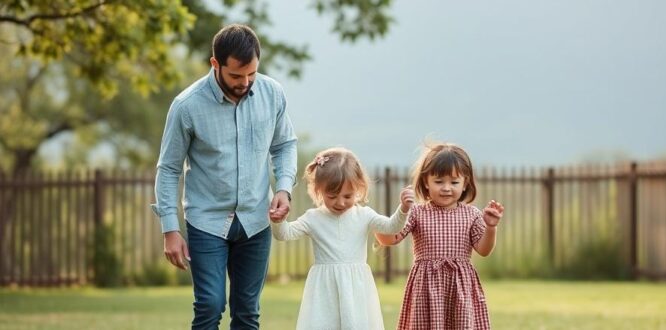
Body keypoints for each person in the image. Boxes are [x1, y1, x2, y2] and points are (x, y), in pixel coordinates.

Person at [151, 23, 297, 329]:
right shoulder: (186, 106)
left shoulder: (273, 94)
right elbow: (168, 169)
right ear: (215, 64)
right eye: (235, 75)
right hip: (206, 221)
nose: (245, 82)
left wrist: (283, 188)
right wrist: (170, 229)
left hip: (256, 220)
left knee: (247, 312)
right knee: (210, 305)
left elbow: (284, 145)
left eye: (252, 74)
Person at [269, 147, 414, 330]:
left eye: (348, 196)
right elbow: (284, 234)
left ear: (359, 188)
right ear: (319, 190)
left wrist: (403, 209)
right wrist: (278, 220)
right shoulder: (313, 218)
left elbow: (391, 227)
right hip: (324, 289)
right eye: (332, 196)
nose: (340, 202)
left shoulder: (364, 215)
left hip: (356, 288)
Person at [375, 142, 505, 330]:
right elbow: (389, 239)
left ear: (465, 183)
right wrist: (393, 215)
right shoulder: (416, 213)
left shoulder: (472, 214)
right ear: (426, 182)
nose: (446, 188)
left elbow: (483, 250)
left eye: (454, 182)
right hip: (426, 288)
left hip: (460, 287)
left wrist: (491, 227)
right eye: (439, 181)